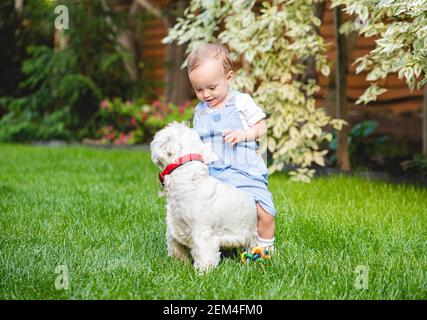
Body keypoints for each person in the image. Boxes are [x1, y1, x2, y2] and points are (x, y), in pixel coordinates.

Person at [187, 43, 276, 254]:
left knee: (264, 210)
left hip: (244, 171)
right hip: (213, 174)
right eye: (199, 89)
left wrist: (244, 135)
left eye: (212, 87)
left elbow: (262, 127)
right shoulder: (200, 111)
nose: (206, 94)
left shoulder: (241, 102)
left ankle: (264, 249)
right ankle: (211, 244)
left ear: (228, 78)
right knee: (200, 210)